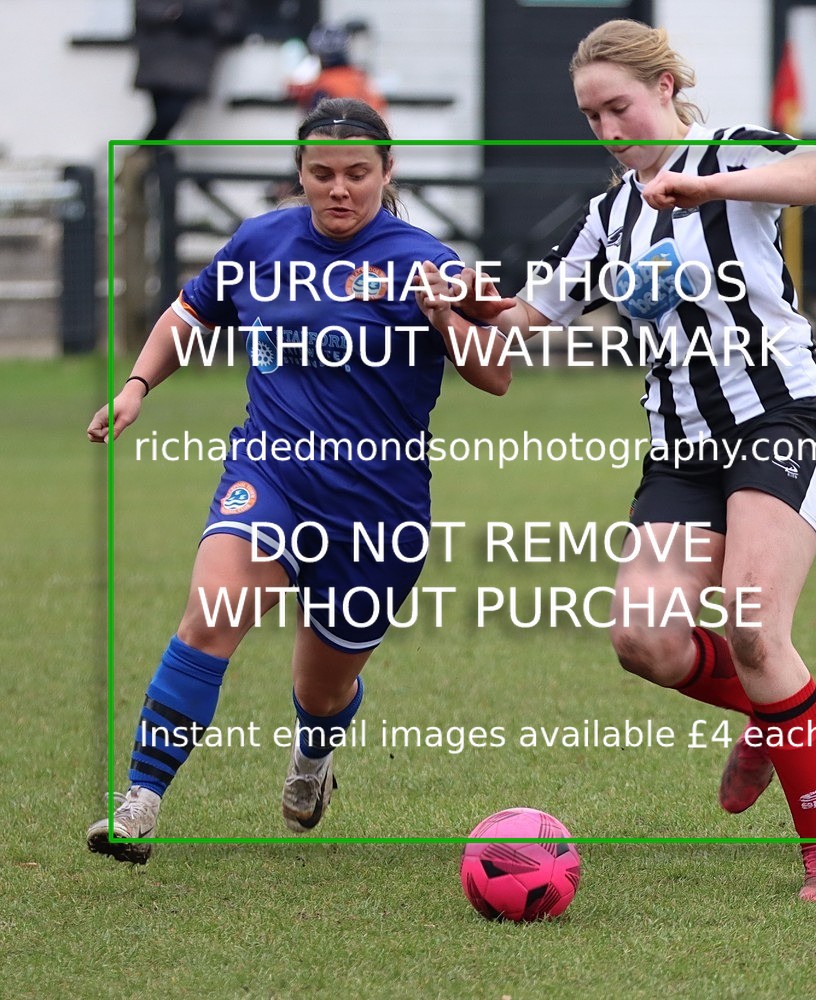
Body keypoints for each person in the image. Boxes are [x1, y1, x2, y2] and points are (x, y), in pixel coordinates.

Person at [456, 19, 816, 902]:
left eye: (620, 108)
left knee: (756, 628)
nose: (608, 132)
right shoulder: (607, 219)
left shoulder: (735, 155)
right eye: (592, 118)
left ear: (667, 86)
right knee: (643, 639)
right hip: (681, 449)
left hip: (780, 420)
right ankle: (772, 714)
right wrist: (451, 301)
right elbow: (522, 322)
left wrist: (705, 185)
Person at [86, 97, 511, 864]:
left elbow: (497, 373)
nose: (338, 189)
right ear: (300, 174)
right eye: (321, 173)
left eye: (357, 173)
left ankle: (312, 761)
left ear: (388, 172)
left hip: (378, 510)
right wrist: (137, 386)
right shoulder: (261, 241)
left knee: (321, 692)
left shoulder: (426, 259)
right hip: (270, 474)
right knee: (210, 615)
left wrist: (444, 316)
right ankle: (139, 805)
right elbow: (189, 314)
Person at [132, 0, 246, 141]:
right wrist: (176, 14)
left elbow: (231, 21)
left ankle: (146, 153)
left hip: (194, 62)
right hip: (160, 57)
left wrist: (205, 19)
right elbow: (146, 10)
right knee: (165, 113)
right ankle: (149, 153)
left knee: (171, 111)